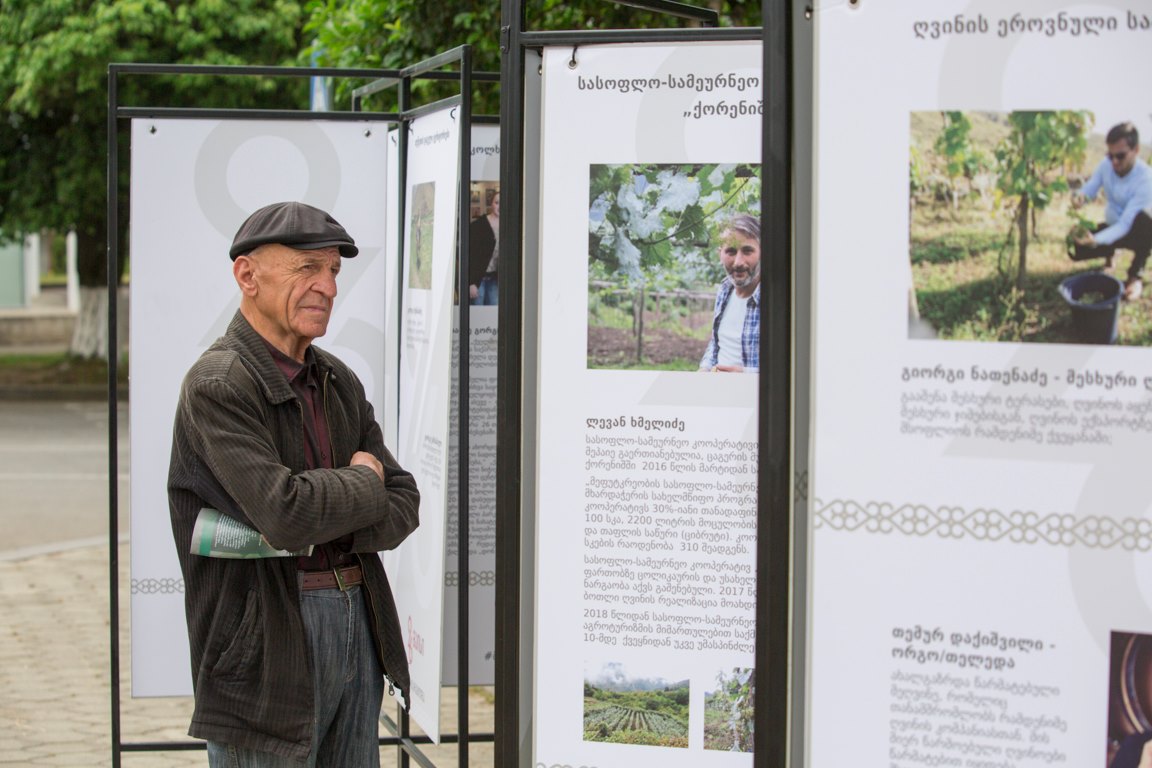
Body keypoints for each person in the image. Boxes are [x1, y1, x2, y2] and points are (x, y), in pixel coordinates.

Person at [167, 201, 420, 766]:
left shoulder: (336, 378)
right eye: (307, 267)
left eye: (333, 270)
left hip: (358, 617)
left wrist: (327, 511)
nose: (327, 286)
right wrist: (362, 482)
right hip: (265, 647)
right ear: (247, 275)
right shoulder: (218, 384)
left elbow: (405, 500)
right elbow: (285, 514)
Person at [1072, 121, 1152, 301]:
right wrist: (1080, 197)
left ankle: (1135, 275)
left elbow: (1125, 224)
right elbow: (1091, 187)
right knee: (1075, 247)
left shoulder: (1146, 179)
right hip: (1112, 225)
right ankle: (1111, 252)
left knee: (1147, 222)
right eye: (1110, 155)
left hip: (1136, 230)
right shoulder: (1106, 165)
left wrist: (1096, 240)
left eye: (1121, 156)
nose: (1114, 161)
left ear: (1136, 150)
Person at [699, 213, 761, 373]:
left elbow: (790, 366)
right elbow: (717, 343)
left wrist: (744, 375)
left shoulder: (778, 299)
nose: (738, 262)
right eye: (731, 251)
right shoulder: (724, 290)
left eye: (747, 251)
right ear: (720, 254)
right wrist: (704, 368)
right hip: (717, 386)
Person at [468, 191, 499, 305]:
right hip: (478, 280)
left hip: (495, 280)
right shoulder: (478, 225)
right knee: (478, 311)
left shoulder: (508, 227)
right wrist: (471, 282)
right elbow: (470, 255)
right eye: (497, 202)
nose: (500, 206)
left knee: (494, 311)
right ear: (491, 204)